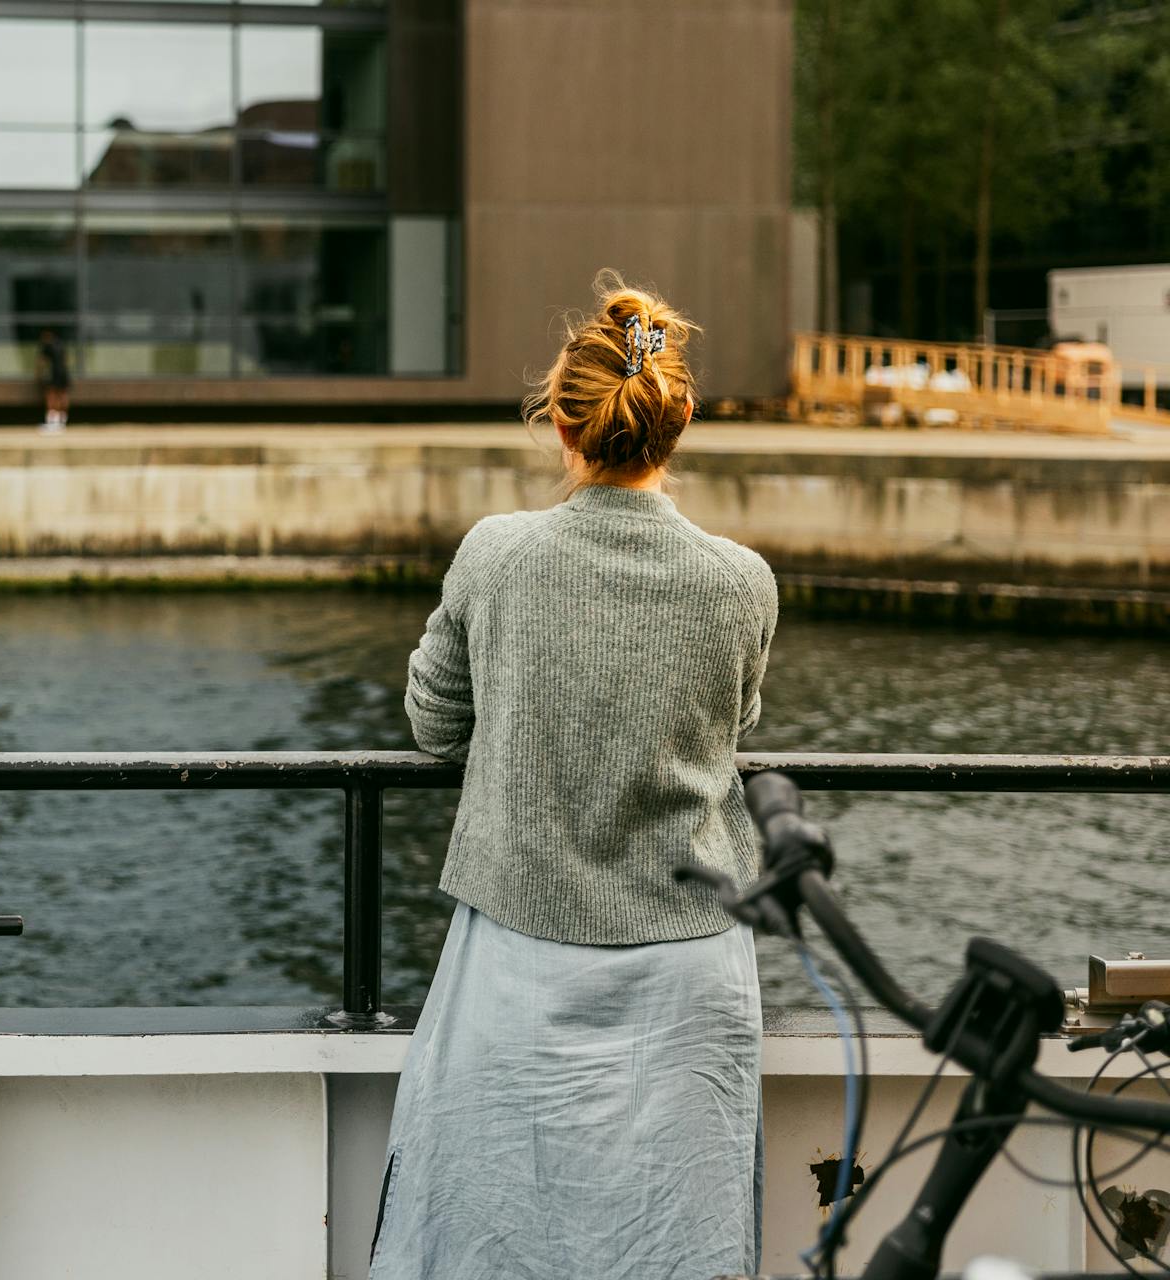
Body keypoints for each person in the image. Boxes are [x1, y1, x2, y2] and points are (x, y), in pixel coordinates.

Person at [367, 273, 778, 1280]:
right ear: (677, 423)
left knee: (492, 1234)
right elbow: (733, 727)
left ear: (561, 420)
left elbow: (432, 721)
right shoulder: (740, 580)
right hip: (692, 965)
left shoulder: (496, 555)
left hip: (522, 953)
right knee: (680, 1244)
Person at [36, 329, 69, 433]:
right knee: (62, 395)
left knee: (51, 396)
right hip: (64, 373)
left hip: (53, 374)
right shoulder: (61, 345)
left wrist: (38, 374)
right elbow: (66, 359)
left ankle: (52, 422)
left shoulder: (47, 346)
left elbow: (41, 361)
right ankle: (62, 420)